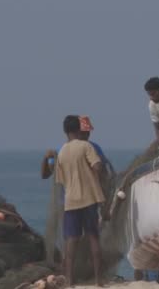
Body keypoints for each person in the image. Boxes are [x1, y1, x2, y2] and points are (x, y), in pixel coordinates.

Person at [55, 115, 107, 287]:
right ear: (79, 129)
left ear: (65, 131)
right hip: (89, 198)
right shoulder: (86, 146)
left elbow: (61, 180)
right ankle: (99, 282)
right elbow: (98, 167)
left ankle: (69, 282)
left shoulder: (62, 152)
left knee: (71, 241)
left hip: (70, 201)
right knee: (93, 238)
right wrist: (95, 172)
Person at [40, 116, 107, 180]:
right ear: (77, 132)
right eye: (83, 133)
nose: (86, 135)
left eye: (88, 132)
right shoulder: (62, 151)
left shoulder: (94, 147)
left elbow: (103, 171)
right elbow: (45, 175)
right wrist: (46, 158)